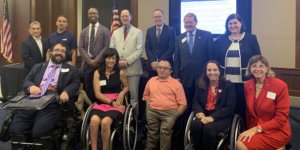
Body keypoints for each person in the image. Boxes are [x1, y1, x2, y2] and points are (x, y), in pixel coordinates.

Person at [9, 42, 80, 150]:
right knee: (16, 129)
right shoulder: (38, 66)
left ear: (66, 54)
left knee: (39, 131)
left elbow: (75, 83)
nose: (59, 53)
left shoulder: (72, 70)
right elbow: (26, 81)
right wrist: (30, 87)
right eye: (57, 50)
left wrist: (66, 92)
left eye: (62, 51)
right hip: (32, 100)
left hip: (53, 102)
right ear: (51, 52)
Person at [173, 12, 213, 149]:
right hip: (185, 80)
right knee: (187, 106)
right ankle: (185, 132)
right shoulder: (179, 38)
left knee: (202, 105)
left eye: (190, 22)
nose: (188, 24)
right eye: (186, 22)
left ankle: (200, 132)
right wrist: (176, 76)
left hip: (202, 78)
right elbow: (177, 59)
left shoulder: (206, 35)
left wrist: (209, 76)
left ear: (196, 22)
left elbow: (210, 57)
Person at [213, 13, 261, 121]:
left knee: (243, 106)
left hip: (245, 81)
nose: (233, 25)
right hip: (226, 81)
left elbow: (257, 58)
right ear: (227, 25)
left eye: (235, 23)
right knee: (228, 106)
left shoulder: (251, 38)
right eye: (230, 23)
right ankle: (229, 130)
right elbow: (215, 59)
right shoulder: (221, 40)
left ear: (241, 23)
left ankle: (243, 129)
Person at [237, 55, 291, 150]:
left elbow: (281, 118)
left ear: (266, 69)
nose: (257, 69)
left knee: (240, 145)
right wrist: (250, 130)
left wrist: (256, 130)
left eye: (261, 66)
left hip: (277, 130)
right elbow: (249, 113)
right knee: (242, 140)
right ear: (250, 69)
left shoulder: (280, 86)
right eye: (254, 66)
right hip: (256, 128)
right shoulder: (247, 85)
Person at [191, 60, 236, 150]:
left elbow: (230, 108)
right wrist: (199, 112)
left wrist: (212, 118)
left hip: (221, 117)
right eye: (209, 70)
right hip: (204, 114)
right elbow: (196, 102)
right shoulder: (200, 84)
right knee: (196, 125)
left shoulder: (228, 86)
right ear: (206, 72)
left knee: (208, 128)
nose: (212, 72)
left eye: (215, 70)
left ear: (219, 71)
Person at [89, 48, 128, 150]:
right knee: (94, 121)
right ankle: (94, 148)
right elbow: (97, 94)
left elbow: (126, 87)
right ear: (104, 59)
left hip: (117, 102)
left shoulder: (121, 73)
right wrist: (111, 102)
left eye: (113, 58)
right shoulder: (97, 73)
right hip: (102, 101)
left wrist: (121, 94)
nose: (111, 61)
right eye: (108, 58)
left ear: (116, 59)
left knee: (105, 123)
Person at [143, 60, 186, 150]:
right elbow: (146, 96)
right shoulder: (151, 81)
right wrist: (148, 107)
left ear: (170, 71)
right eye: (159, 67)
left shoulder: (176, 84)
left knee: (165, 132)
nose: (162, 70)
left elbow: (183, 104)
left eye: (165, 68)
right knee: (151, 132)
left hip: (169, 113)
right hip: (152, 111)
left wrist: (175, 115)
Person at [110, 9, 143, 110]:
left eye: (126, 16)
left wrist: (127, 62)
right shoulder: (115, 33)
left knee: (133, 97)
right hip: (118, 70)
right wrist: (118, 62)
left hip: (133, 70)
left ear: (130, 17)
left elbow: (140, 50)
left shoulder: (138, 32)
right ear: (120, 18)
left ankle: (134, 122)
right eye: (122, 16)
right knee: (120, 96)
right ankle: (122, 119)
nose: (124, 18)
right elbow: (111, 49)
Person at [79, 8, 110, 102]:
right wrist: (89, 60)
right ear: (88, 15)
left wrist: (96, 60)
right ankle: (90, 108)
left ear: (98, 15)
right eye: (90, 13)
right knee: (88, 87)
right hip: (87, 65)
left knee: (101, 87)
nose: (92, 15)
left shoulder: (105, 30)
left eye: (94, 13)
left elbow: (106, 46)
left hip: (100, 64)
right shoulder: (84, 31)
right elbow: (81, 48)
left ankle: (100, 106)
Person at [145, 9, 176, 78]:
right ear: (153, 18)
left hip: (166, 66)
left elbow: (171, 48)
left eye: (159, 16)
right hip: (152, 67)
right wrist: (152, 61)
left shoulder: (171, 30)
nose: (157, 18)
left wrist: (159, 62)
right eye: (155, 17)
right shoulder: (149, 30)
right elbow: (147, 48)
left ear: (163, 17)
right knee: (153, 87)